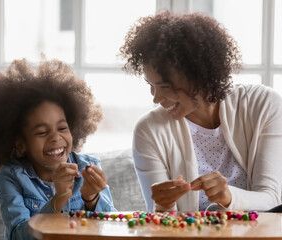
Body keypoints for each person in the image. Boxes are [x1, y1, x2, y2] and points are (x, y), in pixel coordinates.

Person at [119, 11, 282, 212]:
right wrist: (163, 205)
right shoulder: (149, 130)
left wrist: (229, 197)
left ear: (197, 77)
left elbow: (272, 199)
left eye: (165, 86)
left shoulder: (263, 105)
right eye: (150, 85)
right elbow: (160, 221)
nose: (156, 98)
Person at [0, 57, 116, 239]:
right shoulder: (11, 177)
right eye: (42, 132)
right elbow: (18, 235)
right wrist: (58, 200)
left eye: (62, 128)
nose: (56, 137)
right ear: (20, 143)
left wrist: (92, 198)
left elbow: (112, 229)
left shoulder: (88, 169)